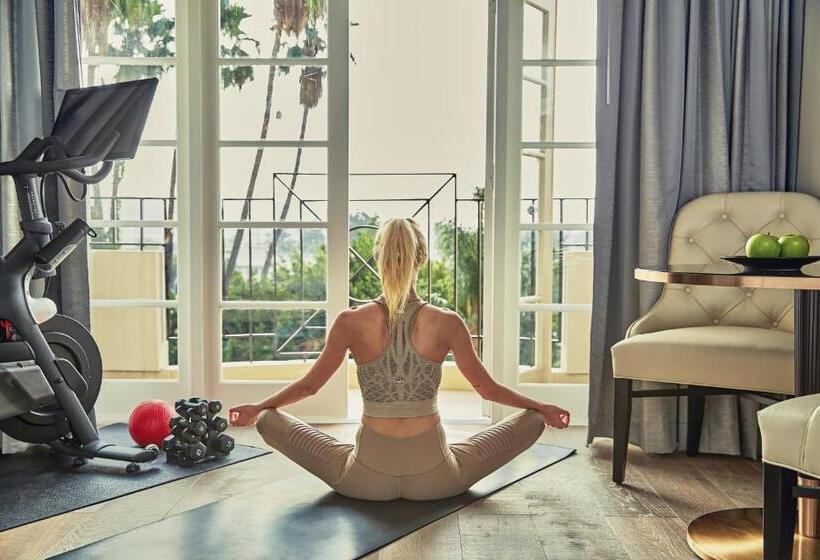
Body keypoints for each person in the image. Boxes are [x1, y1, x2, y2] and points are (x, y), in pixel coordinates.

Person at [229, 217, 570, 501]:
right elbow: (487, 389)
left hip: (364, 481)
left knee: (267, 421)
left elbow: (309, 387)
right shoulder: (448, 322)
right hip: (438, 480)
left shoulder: (350, 321)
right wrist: (542, 407)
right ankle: (533, 417)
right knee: (533, 421)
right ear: (421, 259)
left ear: (377, 258)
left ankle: (277, 422)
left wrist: (258, 407)